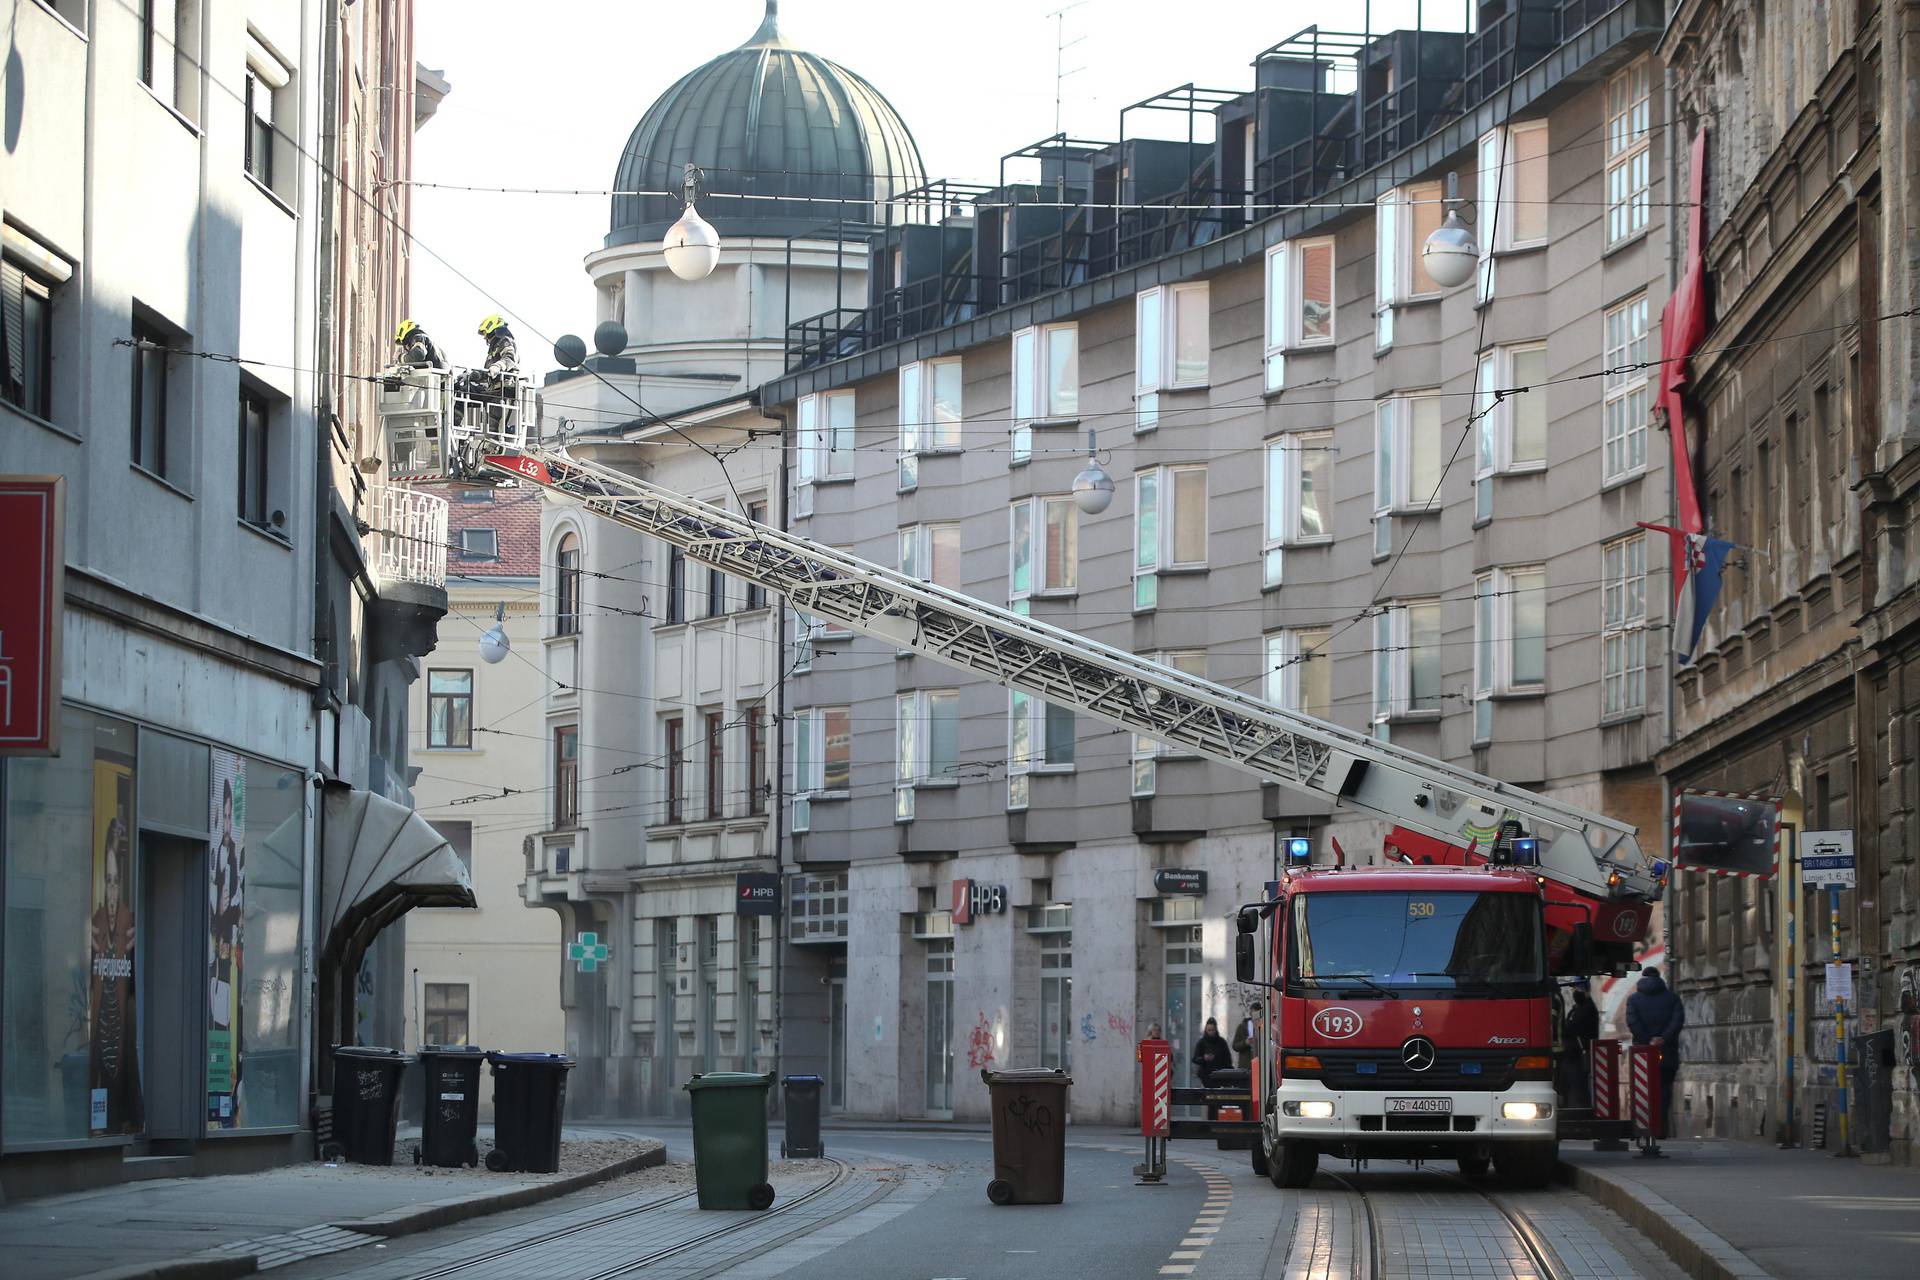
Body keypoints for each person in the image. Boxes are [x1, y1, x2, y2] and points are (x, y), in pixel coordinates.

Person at [1625, 965, 1685, 1137]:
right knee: (1664, 1091)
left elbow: (1632, 1022)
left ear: (1643, 978)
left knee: (1643, 1089)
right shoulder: (1672, 998)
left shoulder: (1634, 999)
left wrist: (1647, 1040)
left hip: (1642, 1053)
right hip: (1667, 1051)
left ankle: (1643, 1129)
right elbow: (1677, 1020)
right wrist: (1662, 1038)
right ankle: (1660, 1129)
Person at [1562, 984, 1600, 1109]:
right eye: (1574, 989)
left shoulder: (1586, 1009)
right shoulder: (1579, 1007)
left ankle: (1582, 1108)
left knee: (1579, 1083)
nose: (1575, 992)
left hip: (1579, 1052)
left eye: (1578, 989)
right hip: (1575, 1051)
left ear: (1587, 992)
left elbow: (1572, 1027)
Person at [1191, 1017, 1232, 1087]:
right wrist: (1204, 1058)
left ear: (1216, 1030)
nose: (1211, 1032)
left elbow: (1228, 1059)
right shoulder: (1201, 1042)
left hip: (1220, 1075)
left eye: (1212, 1030)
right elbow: (1195, 1059)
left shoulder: (1222, 1042)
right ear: (1206, 1030)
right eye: (1209, 1030)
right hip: (1206, 1075)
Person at [1231, 1004, 1260, 1070]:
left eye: (1257, 1014)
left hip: (1260, 1066)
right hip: (1245, 1066)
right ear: (1250, 1013)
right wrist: (1245, 1042)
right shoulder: (1242, 1026)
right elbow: (1235, 1046)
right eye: (1253, 1013)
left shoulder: (1264, 1026)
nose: (1255, 1016)